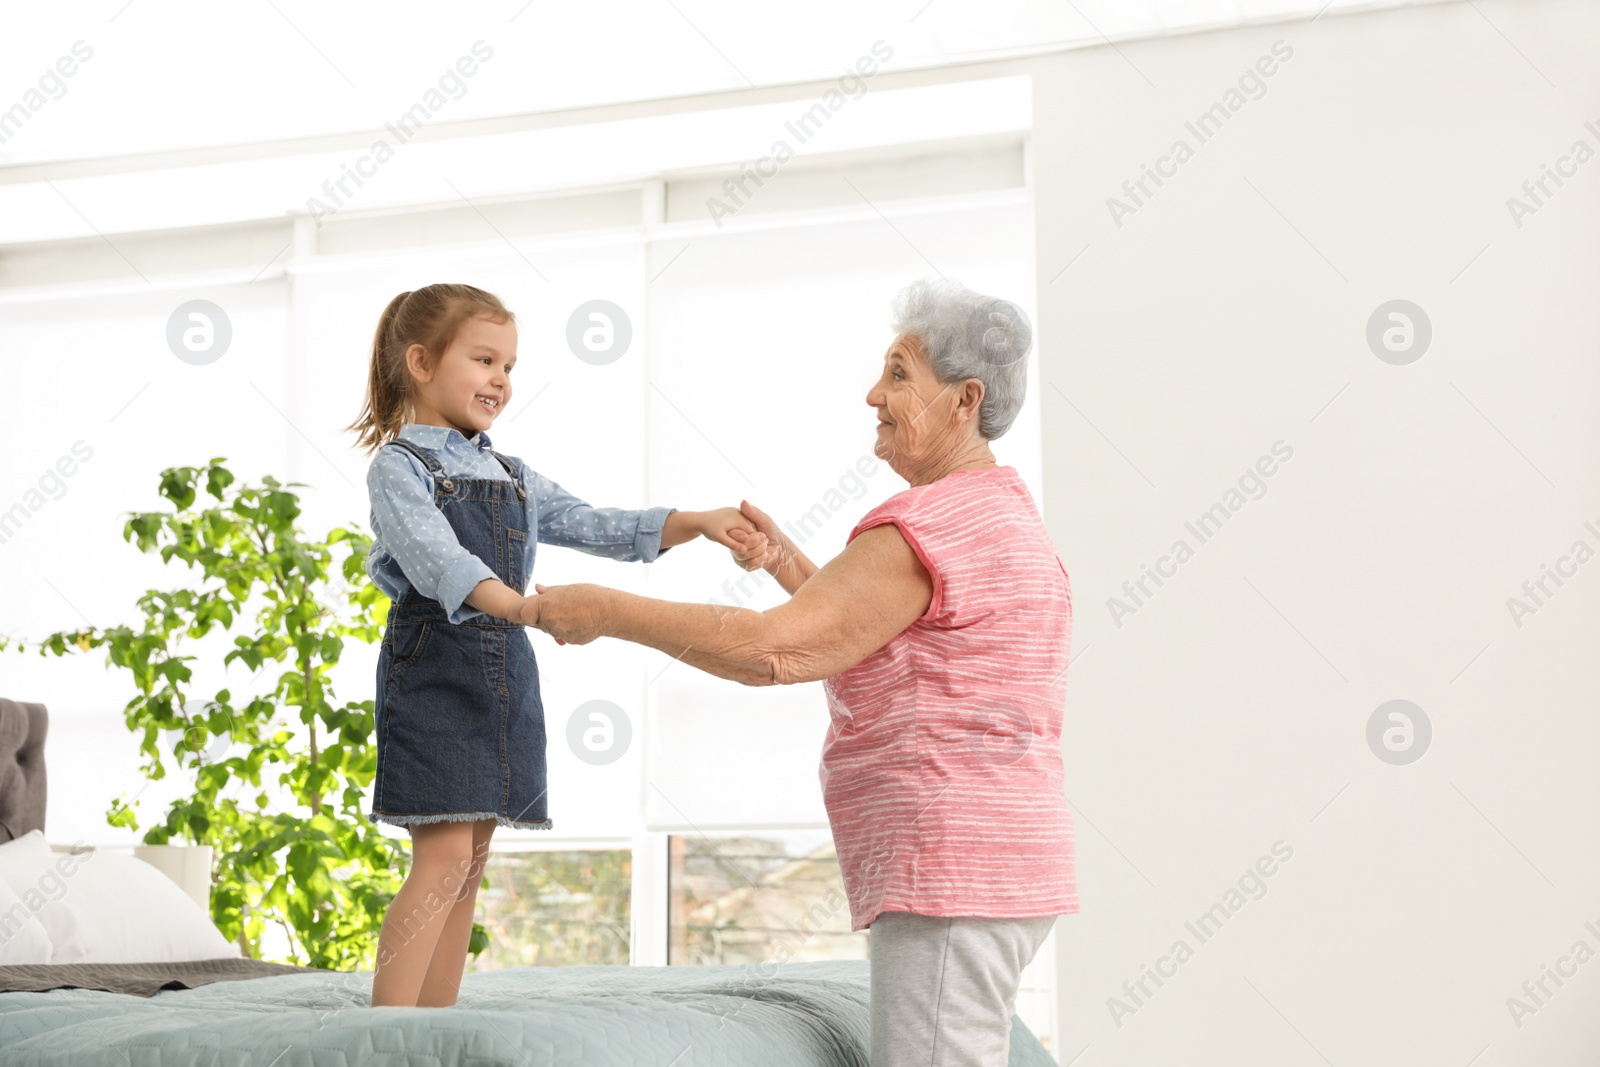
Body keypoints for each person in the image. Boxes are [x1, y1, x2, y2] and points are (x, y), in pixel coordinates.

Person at [527, 277, 1077, 1065]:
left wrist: (608, 612)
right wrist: (790, 563)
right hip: (1007, 861)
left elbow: (770, 651)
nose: (871, 395)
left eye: (898, 374)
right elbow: (886, 637)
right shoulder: (1004, 516)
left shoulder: (925, 524)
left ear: (965, 400)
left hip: (950, 866)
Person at [344, 282, 755, 1008]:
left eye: (509, 364)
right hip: (435, 669)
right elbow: (440, 560)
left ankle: (429, 1025)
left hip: (504, 674)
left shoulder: (510, 472)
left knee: (470, 860)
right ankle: (386, 1031)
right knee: (440, 855)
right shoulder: (399, 467)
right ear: (421, 361)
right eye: (484, 359)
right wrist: (525, 608)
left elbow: (593, 522)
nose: (501, 379)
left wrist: (696, 520)